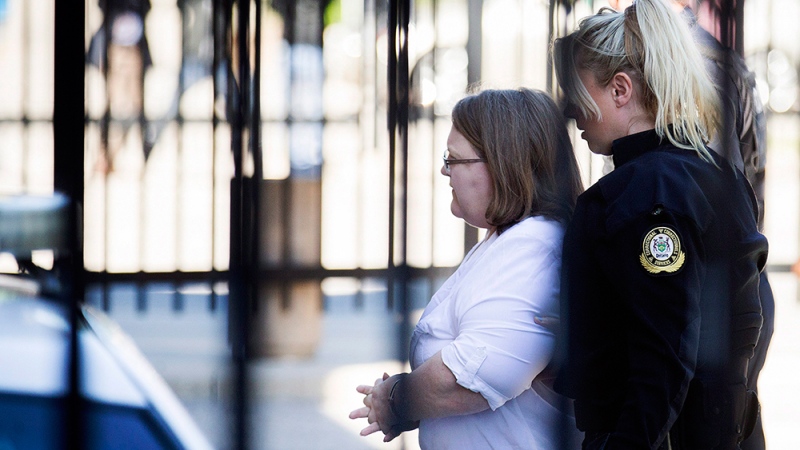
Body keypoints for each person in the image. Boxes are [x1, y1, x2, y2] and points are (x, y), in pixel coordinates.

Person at [551, 0, 768, 448]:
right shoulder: (717, 174)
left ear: (620, 90)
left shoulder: (642, 195)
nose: (572, 112)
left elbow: (664, 358)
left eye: (578, 91)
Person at [349, 88, 584, 449]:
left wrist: (396, 399)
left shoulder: (535, 247)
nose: (444, 170)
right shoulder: (508, 240)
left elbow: (468, 378)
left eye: (453, 159)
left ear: (501, 165)